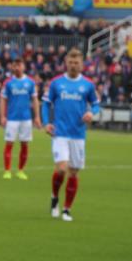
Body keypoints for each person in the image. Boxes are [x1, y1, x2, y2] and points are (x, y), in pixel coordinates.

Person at [43, 49, 99, 222]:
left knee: (73, 173)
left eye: (76, 62)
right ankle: (54, 198)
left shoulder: (88, 85)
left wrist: (92, 114)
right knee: (61, 169)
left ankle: (66, 209)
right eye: (70, 62)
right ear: (66, 63)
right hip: (60, 133)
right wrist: (47, 123)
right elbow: (46, 104)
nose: (73, 65)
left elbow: (96, 105)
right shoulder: (56, 83)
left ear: (81, 64)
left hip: (78, 134)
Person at [0, 58, 42, 179]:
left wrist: (37, 117)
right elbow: (3, 100)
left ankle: (20, 170)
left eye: (19, 65)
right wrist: (2, 116)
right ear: (12, 67)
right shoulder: (8, 83)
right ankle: (7, 170)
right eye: (14, 65)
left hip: (26, 119)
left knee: (24, 144)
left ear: (23, 66)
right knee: (9, 143)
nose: (17, 67)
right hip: (12, 118)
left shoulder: (30, 82)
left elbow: (35, 100)